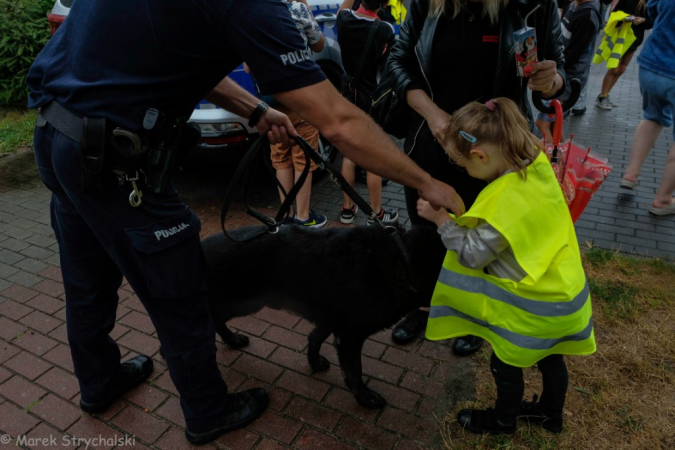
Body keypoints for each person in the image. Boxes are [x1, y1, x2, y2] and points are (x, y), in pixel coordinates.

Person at [26, 0, 464, 445]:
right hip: (115, 162)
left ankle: (99, 382)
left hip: (56, 136)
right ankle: (208, 411)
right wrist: (427, 183)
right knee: (181, 294)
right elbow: (338, 119)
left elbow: (184, 57)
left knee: (86, 282)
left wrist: (255, 110)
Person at [387, 0, 567, 357]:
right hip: (432, 141)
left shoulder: (534, 5)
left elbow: (564, 77)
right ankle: (423, 305)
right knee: (426, 230)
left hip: (497, 157)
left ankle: (476, 315)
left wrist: (552, 82)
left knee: (490, 240)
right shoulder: (427, 4)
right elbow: (397, 62)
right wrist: (435, 117)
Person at [420, 97, 595, 435]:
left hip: (534, 309)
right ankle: (550, 414)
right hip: (564, 292)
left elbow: (473, 254)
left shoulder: (506, 203)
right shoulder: (536, 162)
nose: (466, 172)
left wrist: (442, 220)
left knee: (505, 365)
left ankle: (502, 422)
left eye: (464, 165)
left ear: (481, 156)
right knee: (551, 357)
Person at [337, 0, 399, 225]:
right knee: (373, 156)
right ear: (384, 2)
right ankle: (376, 213)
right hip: (371, 98)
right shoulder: (384, 29)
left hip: (348, 95)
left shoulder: (344, 19)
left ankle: (347, 209)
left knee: (349, 155)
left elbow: (342, 9)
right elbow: (387, 69)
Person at [268, 0, 327, 227]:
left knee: (280, 155)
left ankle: (285, 216)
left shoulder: (257, 13)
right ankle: (304, 217)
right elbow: (319, 45)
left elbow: (248, 66)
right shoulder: (297, 9)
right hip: (302, 97)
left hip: (273, 99)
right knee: (304, 156)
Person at [620, 0, 675, 215]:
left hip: (652, 64)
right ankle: (662, 200)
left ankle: (630, 175)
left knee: (652, 117)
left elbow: (651, 10)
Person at [536, 0, 601, 137]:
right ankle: (561, 154)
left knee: (542, 124)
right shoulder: (572, 5)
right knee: (555, 123)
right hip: (560, 73)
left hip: (567, 78)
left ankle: (550, 158)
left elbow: (575, 53)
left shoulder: (588, 14)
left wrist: (558, 73)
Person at [595, 0, 653, 110]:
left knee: (621, 70)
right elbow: (614, 15)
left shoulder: (649, 3)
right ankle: (602, 96)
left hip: (634, 41)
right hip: (621, 39)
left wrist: (643, 20)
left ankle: (605, 95)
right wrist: (626, 18)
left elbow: (651, 23)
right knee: (613, 70)